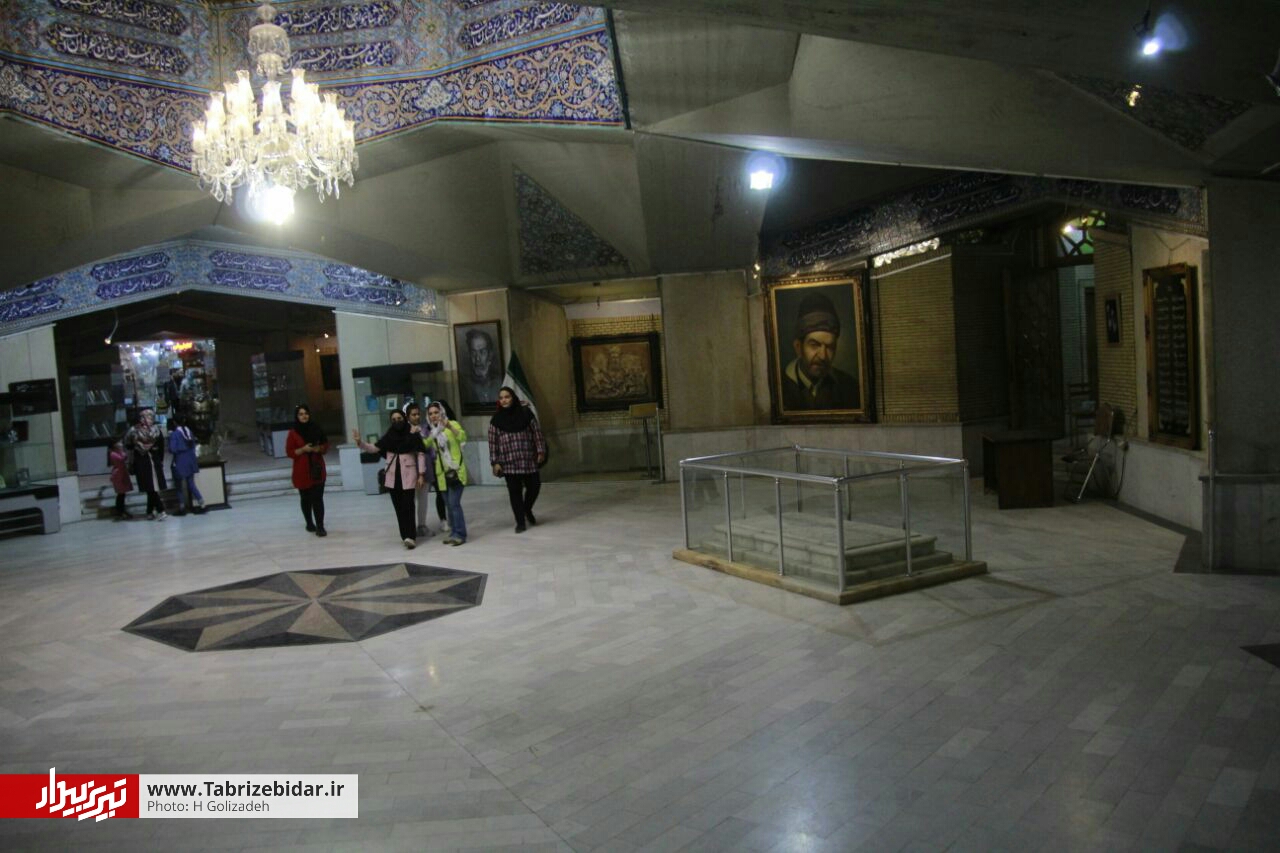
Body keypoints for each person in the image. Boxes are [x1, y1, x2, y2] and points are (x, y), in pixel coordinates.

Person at [352, 409, 426, 549]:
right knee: (399, 508)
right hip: (393, 477)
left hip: (408, 475)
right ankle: (405, 536)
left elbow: (421, 453)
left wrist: (421, 474)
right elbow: (374, 448)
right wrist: (360, 442)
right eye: (394, 419)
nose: (397, 421)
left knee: (408, 506)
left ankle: (411, 536)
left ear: (404, 418)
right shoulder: (389, 436)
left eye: (399, 418)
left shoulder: (412, 433)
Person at [780, 291, 860, 410]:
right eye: (814, 345)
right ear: (798, 347)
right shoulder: (780, 386)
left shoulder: (850, 388)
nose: (823, 356)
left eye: (830, 347)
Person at [488, 386, 546, 533]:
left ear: (513, 398)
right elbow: (493, 443)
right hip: (509, 463)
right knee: (515, 493)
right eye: (501, 398)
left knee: (534, 486)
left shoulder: (526, 413)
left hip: (528, 460)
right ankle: (520, 522)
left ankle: (527, 509)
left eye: (507, 397)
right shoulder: (496, 419)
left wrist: (540, 450)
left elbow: (536, 433)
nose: (504, 400)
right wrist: (495, 462)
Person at [425, 401, 468, 546]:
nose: (433, 416)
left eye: (436, 412)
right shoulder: (433, 432)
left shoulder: (452, 424)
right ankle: (454, 532)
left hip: (455, 471)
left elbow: (463, 437)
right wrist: (418, 433)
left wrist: (449, 426)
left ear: (442, 412)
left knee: (454, 504)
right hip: (441, 475)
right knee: (449, 505)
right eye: (430, 414)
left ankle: (460, 534)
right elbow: (425, 444)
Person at [286, 404, 328, 537]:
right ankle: (309, 523)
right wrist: (303, 449)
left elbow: (325, 445)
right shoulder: (293, 433)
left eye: (306, 413)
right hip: (302, 471)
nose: (304, 416)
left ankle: (320, 527)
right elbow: (290, 452)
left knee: (318, 498)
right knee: (305, 498)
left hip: (317, 468)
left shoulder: (317, 428)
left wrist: (318, 448)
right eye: (301, 414)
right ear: (297, 416)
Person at [124, 408, 166, 520]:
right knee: (150, 487)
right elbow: (128, 446)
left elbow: (161, 447)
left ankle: (149, 511)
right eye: (143, 417)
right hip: (142, 462)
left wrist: (160, 460)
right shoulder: (133, 431)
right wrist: (130, 462)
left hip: (154, 461)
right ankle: (160, 510)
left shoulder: (156, 430)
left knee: (152, 488)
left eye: (149, 416)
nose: (146, 419)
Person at [403, 402, 435, 540]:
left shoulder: (424, 429)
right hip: (410, 470)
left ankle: (422, 525)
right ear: (408, 416)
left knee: (423, 499)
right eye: (413, 414)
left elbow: (429, 447)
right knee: (410, 500)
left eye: (418, 414)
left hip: (425, 469)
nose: (416, 417)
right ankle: (410, 528)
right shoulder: (405, 431)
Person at [167, 414, 203, 516]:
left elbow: (172, 449)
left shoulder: (175, 434)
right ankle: (201, 503)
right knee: (191, 484)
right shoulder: (189, 432)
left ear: (174, 422)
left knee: (179, 486)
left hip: (179, 461)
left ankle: (182, 507)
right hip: (190, 460)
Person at [461, 328, 503, 407]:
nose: (477, 358)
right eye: (473, 352)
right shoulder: (465, 384)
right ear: (469, 354)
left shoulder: (499, 381)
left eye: (482, 352)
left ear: (490, 354)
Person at [107, 439, 133, 520]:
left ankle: (122, 510)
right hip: (119, 475)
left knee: (122, 494)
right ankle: (120, 511)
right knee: (120, 494)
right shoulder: (113, 454)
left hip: (122, 473)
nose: (121, 444)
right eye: (119, 442)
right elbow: (122, 459)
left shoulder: (118, 452)